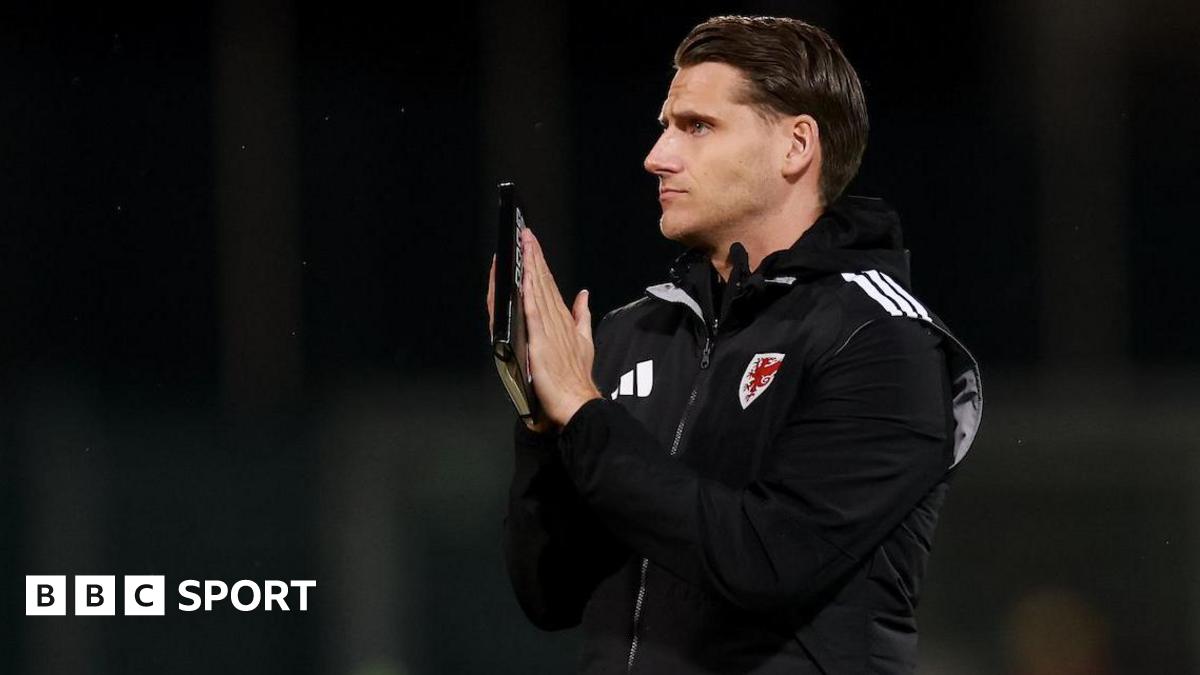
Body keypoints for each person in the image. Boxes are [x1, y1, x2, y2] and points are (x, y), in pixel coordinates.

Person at [488, 15, 983, 675]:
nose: (657, 156)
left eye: (696, 126)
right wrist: (542, 415)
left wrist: (583, 410)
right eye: (666, 126)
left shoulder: (883, 338)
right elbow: (551, 593)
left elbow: (766, 559)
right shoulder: (633, 333)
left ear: (795, 146)